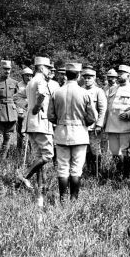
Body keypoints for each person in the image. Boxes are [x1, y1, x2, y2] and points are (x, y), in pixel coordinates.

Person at [48, 62, 97, 202]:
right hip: (80, 134)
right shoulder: (85, 93)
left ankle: (63, 200)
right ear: (79, 75)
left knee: (62, 168)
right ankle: (74, 200)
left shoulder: (56, 92)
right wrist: (83, 123)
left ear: (66, 75)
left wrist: (61, 122)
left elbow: (50, 116)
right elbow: (93, 117)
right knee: (76, 168)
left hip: (62, 134)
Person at [18, 56, 55, 207]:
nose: (49, 71)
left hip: (31, 124)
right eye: (48, 68)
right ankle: (24, 175)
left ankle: (40, 192)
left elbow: (20, 97)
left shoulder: (31, 81)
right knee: (48, 155)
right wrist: (36, 107)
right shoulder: (40, 80)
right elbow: (41, 95)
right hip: (41, 122)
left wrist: (31, 108)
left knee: (38, 157)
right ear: (41, 68)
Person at [104, 64, 130, 179]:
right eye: (118, 73)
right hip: (112, 125)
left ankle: (126, 176)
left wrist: (128, 114)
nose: (119, 75)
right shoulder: (112, 89)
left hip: (126, 125)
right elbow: (107, 107)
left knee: (126, 152)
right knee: (114, 151)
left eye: (121, 73)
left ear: (129, 75)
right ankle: (117, 173)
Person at [0, 60, 20, 159]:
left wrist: (19, 112)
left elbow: (18, 99)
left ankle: (3, 158)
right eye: (5, 69)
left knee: (8, 136)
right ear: (1, 69)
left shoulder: (15, 83)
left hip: (12, 113)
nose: (7, 71)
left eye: (9, 69)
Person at [81, 67, 107, 176]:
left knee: (95, 151)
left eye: (89, 78)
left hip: (94, 127)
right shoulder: (80, 90)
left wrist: (99, 124)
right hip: (82, 126)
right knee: (85, 150)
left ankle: (97, 173)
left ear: (94, 78)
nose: (87, 80)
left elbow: (102, 109)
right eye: (85, 78)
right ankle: (88, 170)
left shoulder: (98, 91)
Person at [14, 67, 33, 150]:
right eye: (26, 75)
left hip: (31, 112)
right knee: (20, 132)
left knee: (31, 133)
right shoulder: (18, 85)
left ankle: (31, 150)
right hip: (21, 112)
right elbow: (15, 98)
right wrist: (24, 104)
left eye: (30, 76)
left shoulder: (33, 84)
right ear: (23, 76)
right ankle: (19, 149)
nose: (28, 77)